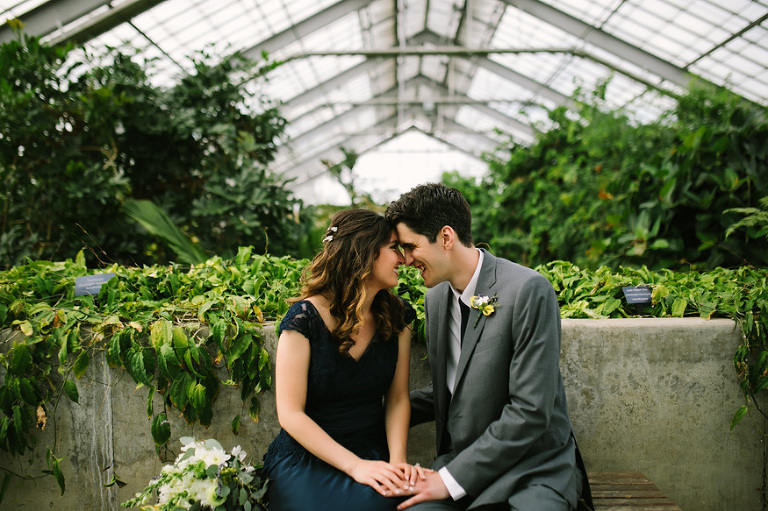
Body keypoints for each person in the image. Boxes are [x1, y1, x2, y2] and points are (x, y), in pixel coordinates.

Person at [385, 183, 592, 511]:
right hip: (460, 460)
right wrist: (369, 407)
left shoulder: (527, 290)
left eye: (410, 246)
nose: (405, 259)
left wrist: (448, 480)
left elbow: (530, 411)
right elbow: (455, 390)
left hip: (533, 468)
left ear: (446, 237)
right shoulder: (435, 298)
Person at [262, 209, 427, 511]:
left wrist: (398, 462)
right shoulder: (304, 319)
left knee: (387, 504)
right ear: (365, 253)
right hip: (306, 458)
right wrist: (355, 467)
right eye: (393, 248)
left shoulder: (396, 316)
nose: (403, 259)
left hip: (370, 450)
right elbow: (290, 414)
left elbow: (397, 399)